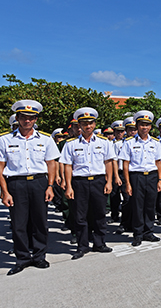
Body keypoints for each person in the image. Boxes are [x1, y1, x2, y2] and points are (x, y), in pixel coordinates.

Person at [0, 100, 59, 275]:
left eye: (31, 117)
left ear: (36, 119)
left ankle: (39, 256)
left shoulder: (46, 139)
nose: (27, 121)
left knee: (40, 222)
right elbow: (0, 168)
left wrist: (50, 186)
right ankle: (22, 258)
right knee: (18, 224)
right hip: (16, 184)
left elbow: (51, 164)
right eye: (23, 117)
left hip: (39, 182)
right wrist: (4, 191)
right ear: (17, 118)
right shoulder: (4, 140)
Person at [61, 107, 115, 260]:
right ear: (79, 125)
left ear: (95, 124)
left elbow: (108, 163)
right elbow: (67, 165)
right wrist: (69, 186)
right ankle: (82, 246)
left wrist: (109, 182)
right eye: (84, 123)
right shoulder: (71, 144)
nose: (88, 126)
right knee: (80, 216)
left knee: (99, 214)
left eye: (90, 123)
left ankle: (99, 243)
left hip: (98, 181)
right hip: (79, 183)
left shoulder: (104, 142)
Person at [119, 111, 161, 246]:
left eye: (147, 125)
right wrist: (127, 183)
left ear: (150, 127)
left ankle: (148, 232)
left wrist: (160, 180)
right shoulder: (129, 142)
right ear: (137, 126)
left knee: (150, 206)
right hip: (136, 176)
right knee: (137, 206)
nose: (144, 127)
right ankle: (138, 234)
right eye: (142, 125)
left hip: (152, 176)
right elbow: (125, 164)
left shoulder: (155, 142)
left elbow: (158, 162)